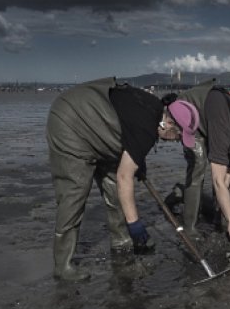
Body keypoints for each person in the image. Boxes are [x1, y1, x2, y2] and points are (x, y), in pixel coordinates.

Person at [46, 77, 194, 281]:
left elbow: (128, 133)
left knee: (114, 188)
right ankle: (63, 266)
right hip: (70, 122)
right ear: (168, 122)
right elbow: (125, 176)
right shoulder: (147, 129)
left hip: (100, 127)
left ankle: (121, 242)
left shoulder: (154, 107)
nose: (177, 141)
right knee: (74, 194)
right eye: (178, 136)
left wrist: (138, 162)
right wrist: (137, 226)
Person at [162, 79, 230, 243]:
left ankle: (217, 217)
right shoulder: (224, 131)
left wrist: (227, 216)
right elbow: (218, 180)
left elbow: (229, 173)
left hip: (211, 117)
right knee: (198, 166)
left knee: (225, 176)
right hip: (188, 115)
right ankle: (189, 226)